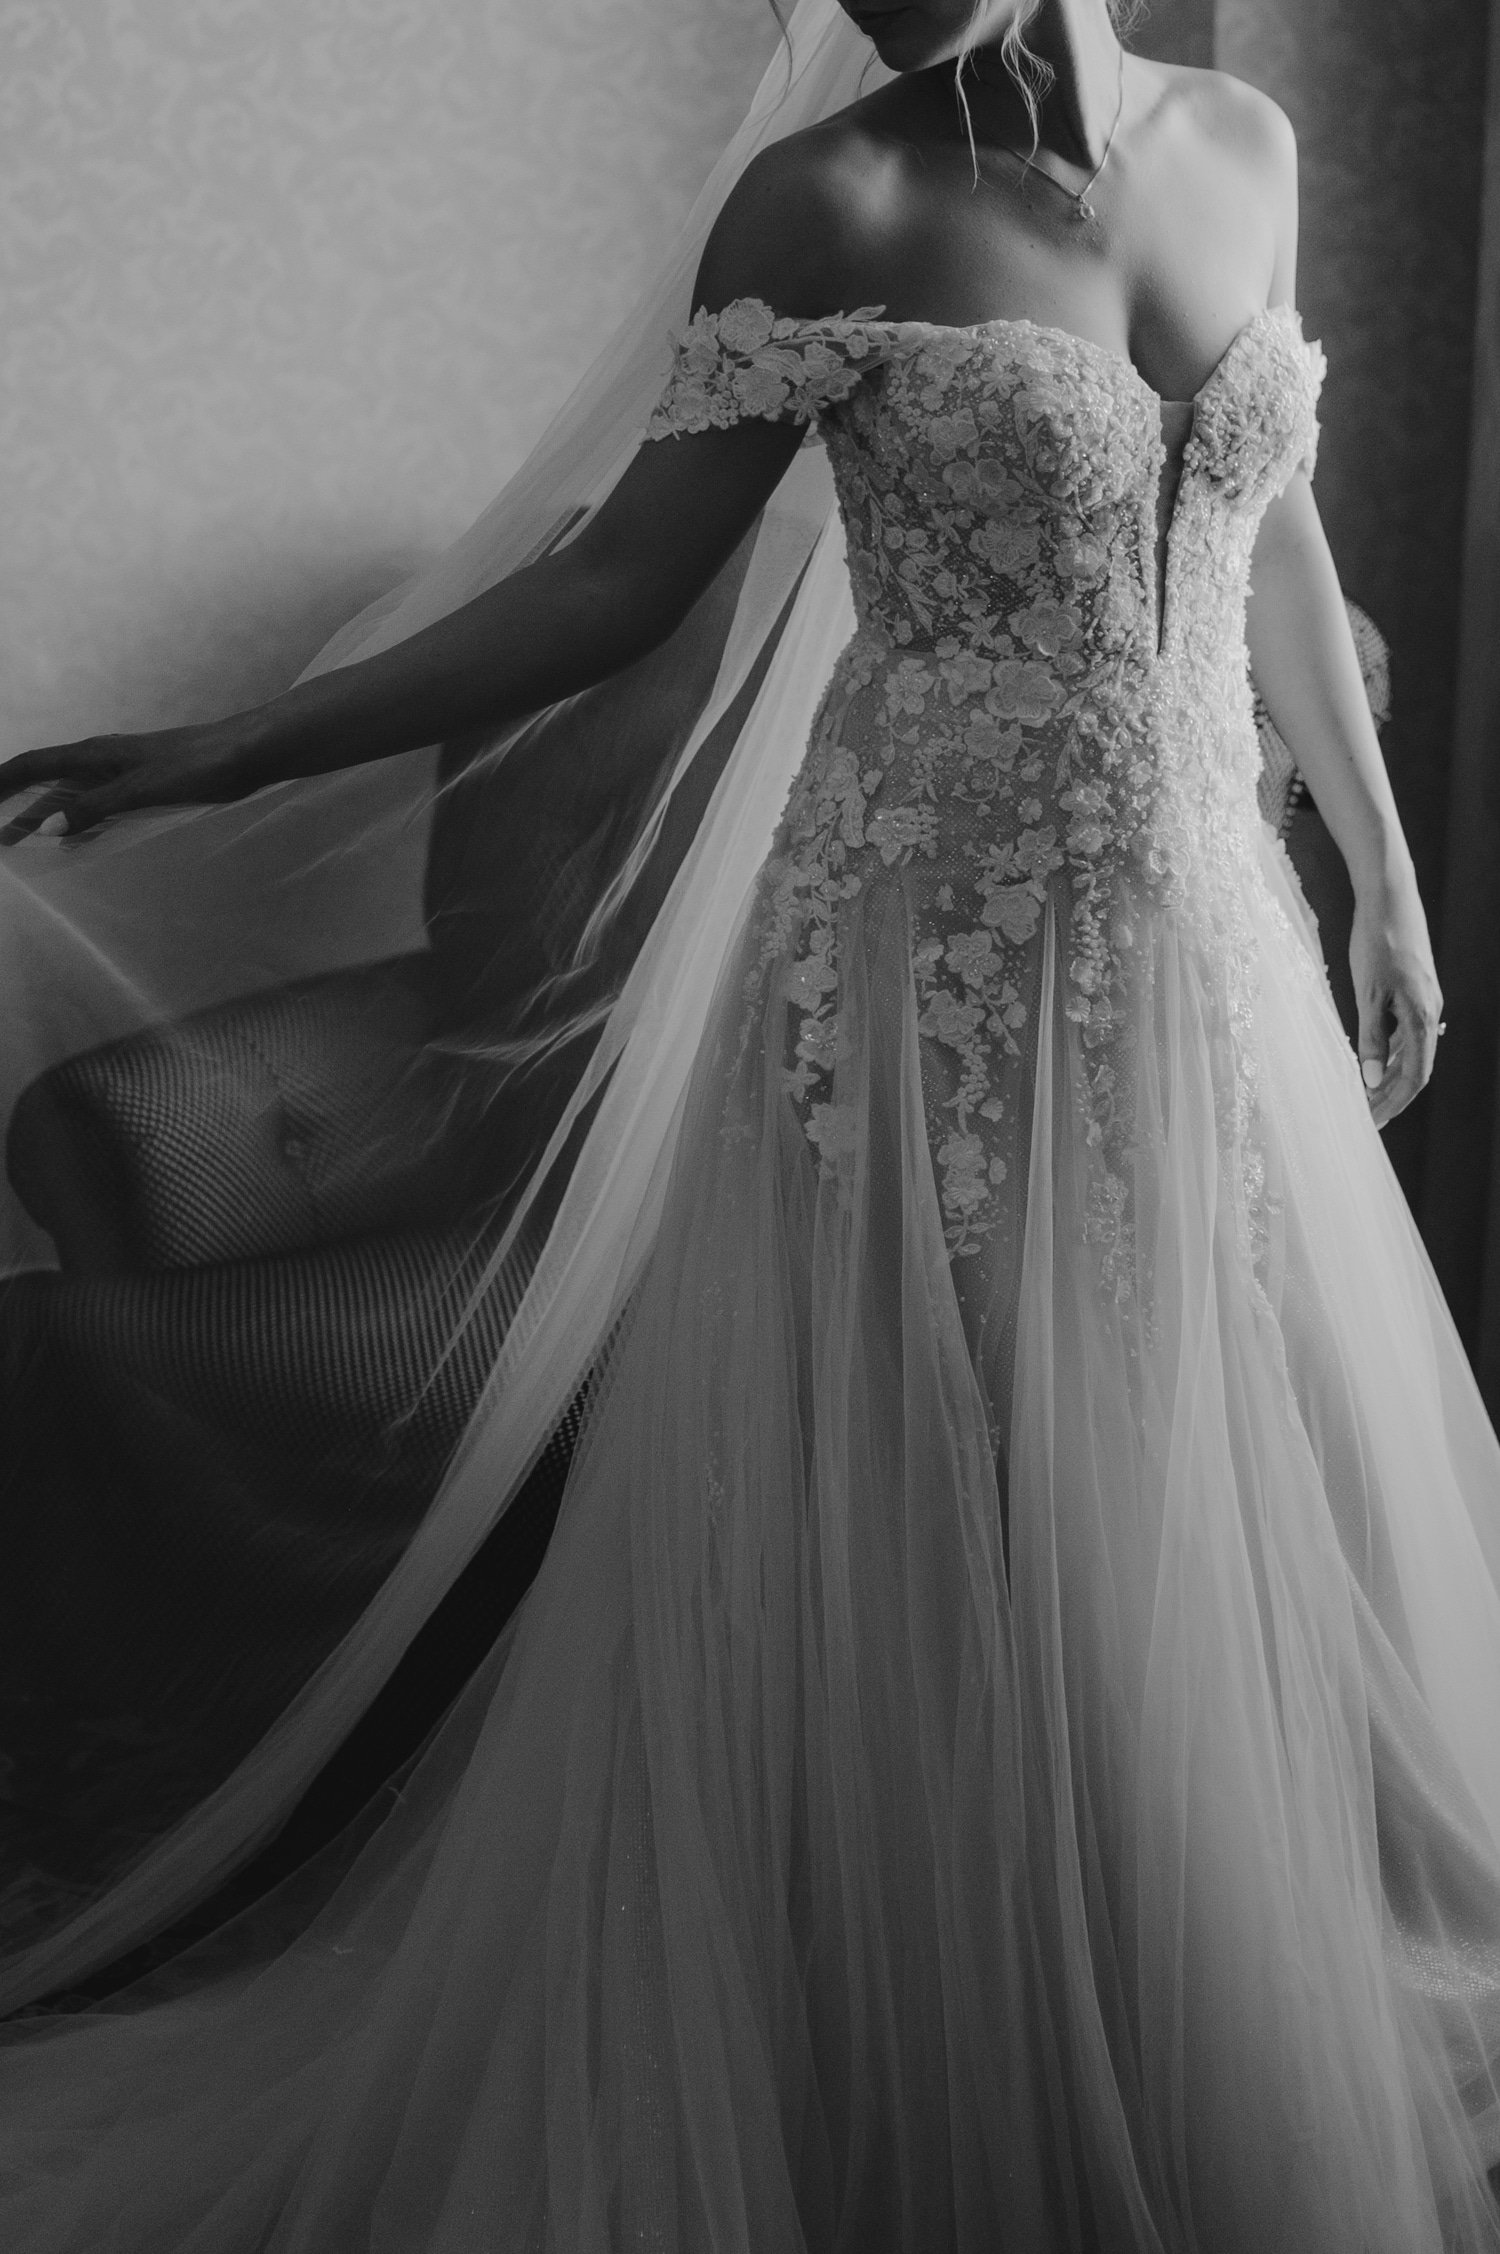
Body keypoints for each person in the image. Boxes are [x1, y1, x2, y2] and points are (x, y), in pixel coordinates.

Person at [2, 0, 1500, 2245]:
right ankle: (913, 2057)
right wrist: (245, 745)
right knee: (966, 1496)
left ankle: (1160, 2006)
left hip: (1203, 949)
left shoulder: (1243, 142)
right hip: (921, 969)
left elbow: (1266, 529)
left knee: (1198, 1474)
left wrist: (1377, 873)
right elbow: (613, 585)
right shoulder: (835, 200)